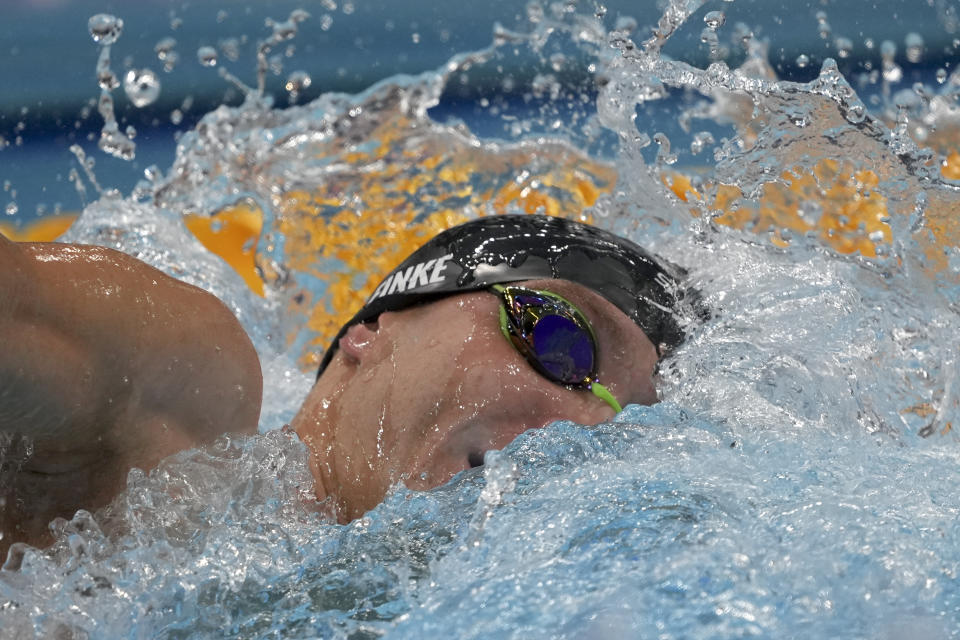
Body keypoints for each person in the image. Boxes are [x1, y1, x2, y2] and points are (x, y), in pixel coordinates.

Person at [0, 214, 695, 558]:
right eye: (559, 342)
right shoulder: (183, 414)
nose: (574, 428)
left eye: (623, 430)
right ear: (372, 333)